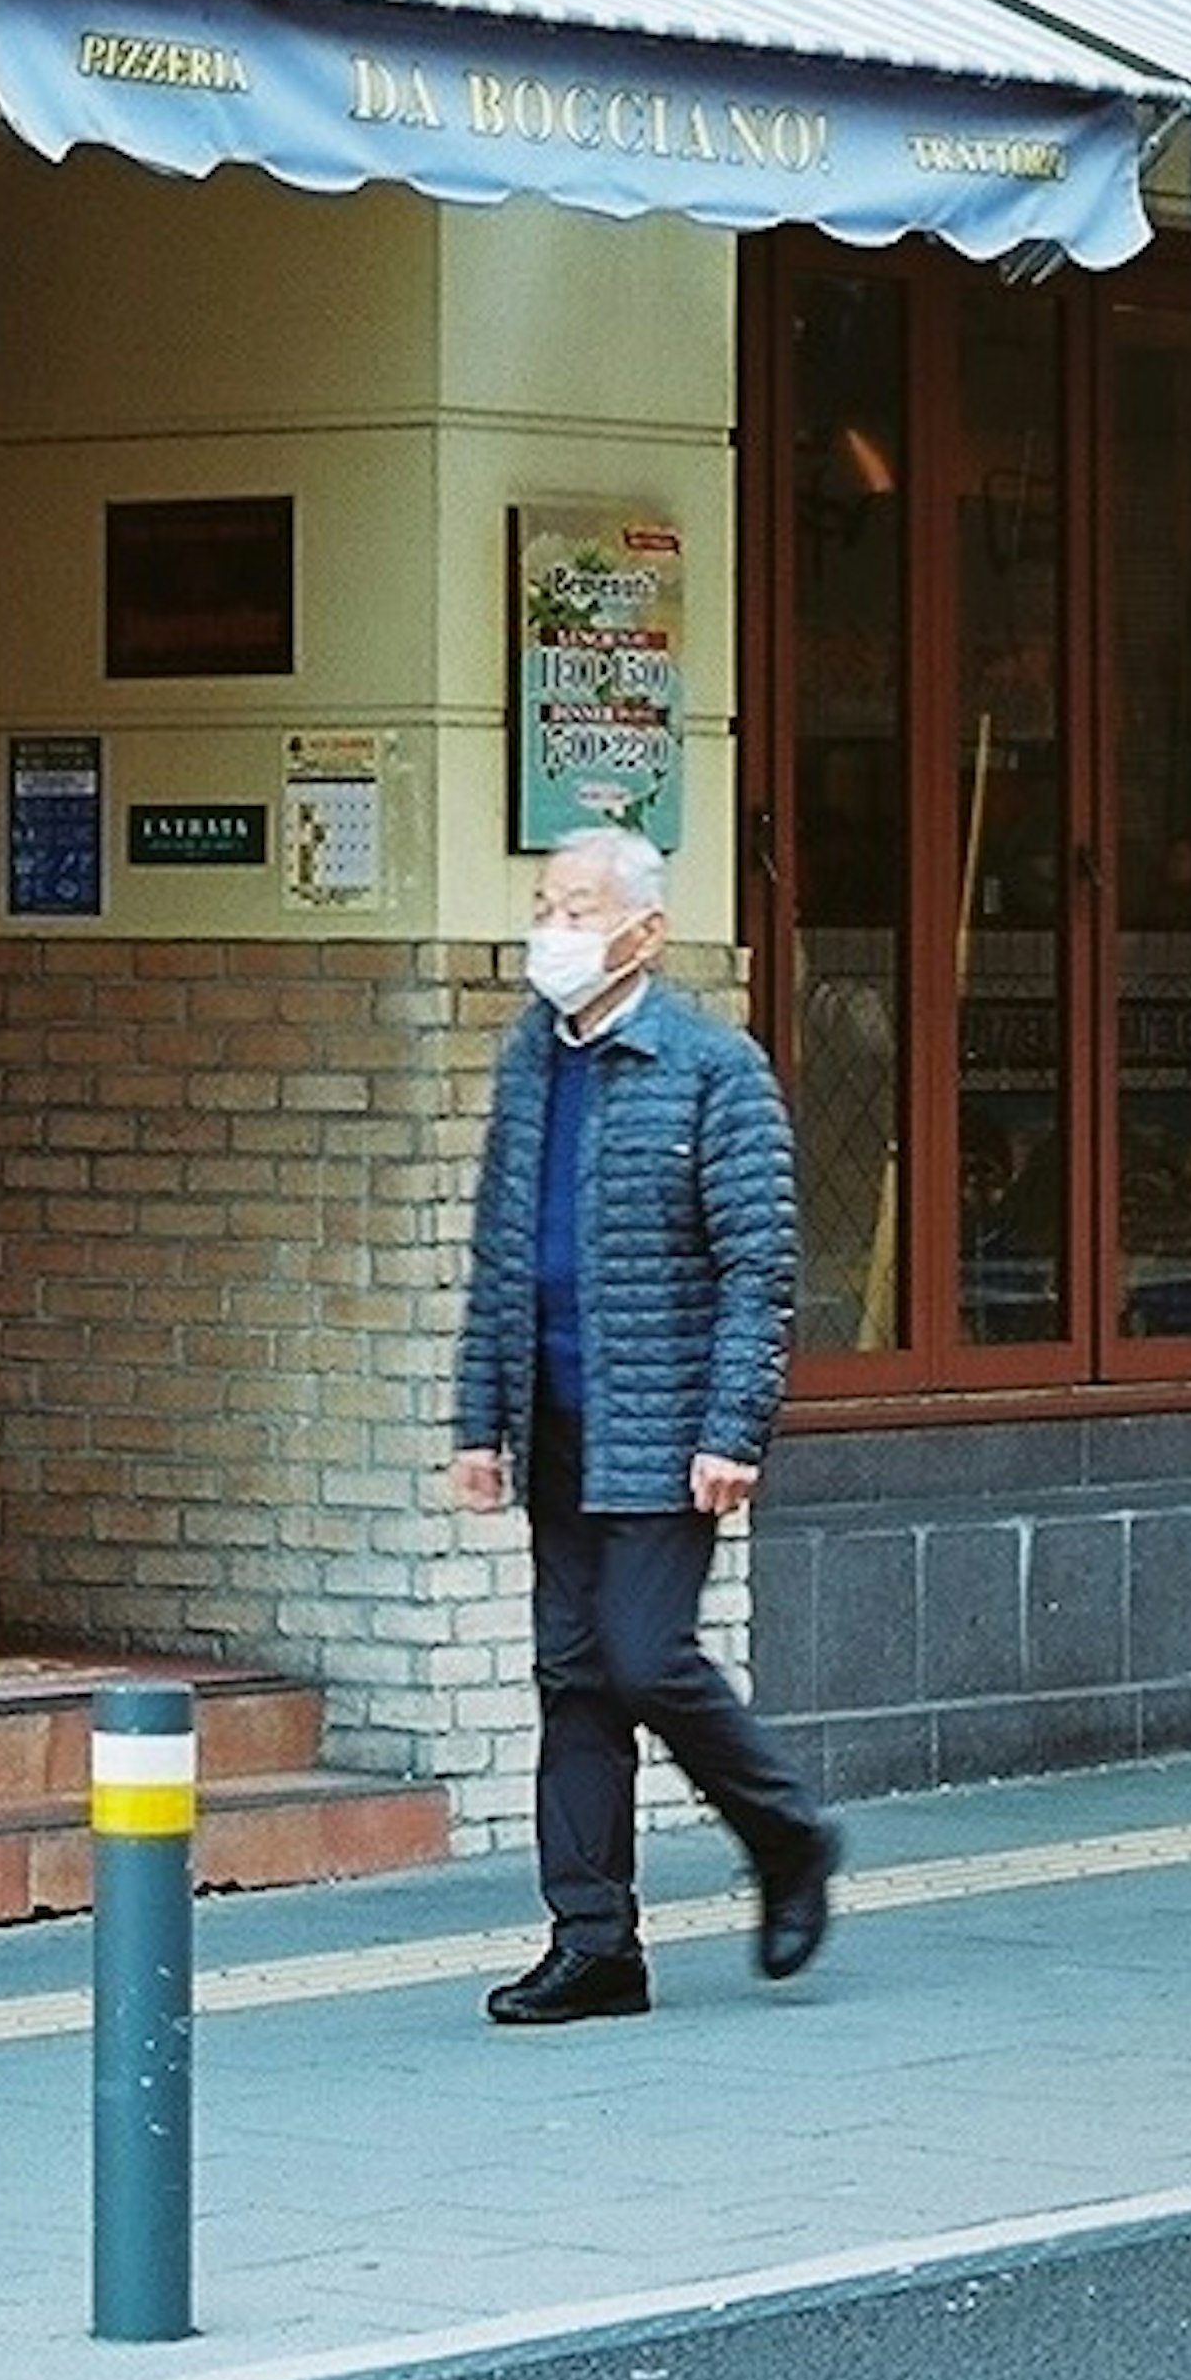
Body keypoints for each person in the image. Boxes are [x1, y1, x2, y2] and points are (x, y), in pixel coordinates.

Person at [448, 822, 838, 2024]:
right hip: (555, 1418)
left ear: (644, 931)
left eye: (578, 905)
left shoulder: (714, 1068)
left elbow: (759, 1265)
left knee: (641, 1651)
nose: (554, 927)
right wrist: (478, 1417)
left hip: (666, 1425)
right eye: (546, 900)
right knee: (571, 1677)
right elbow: (499, 1250)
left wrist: (735, 1428)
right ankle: (594, 1941)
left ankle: (788, 1835)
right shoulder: (532, 1058)